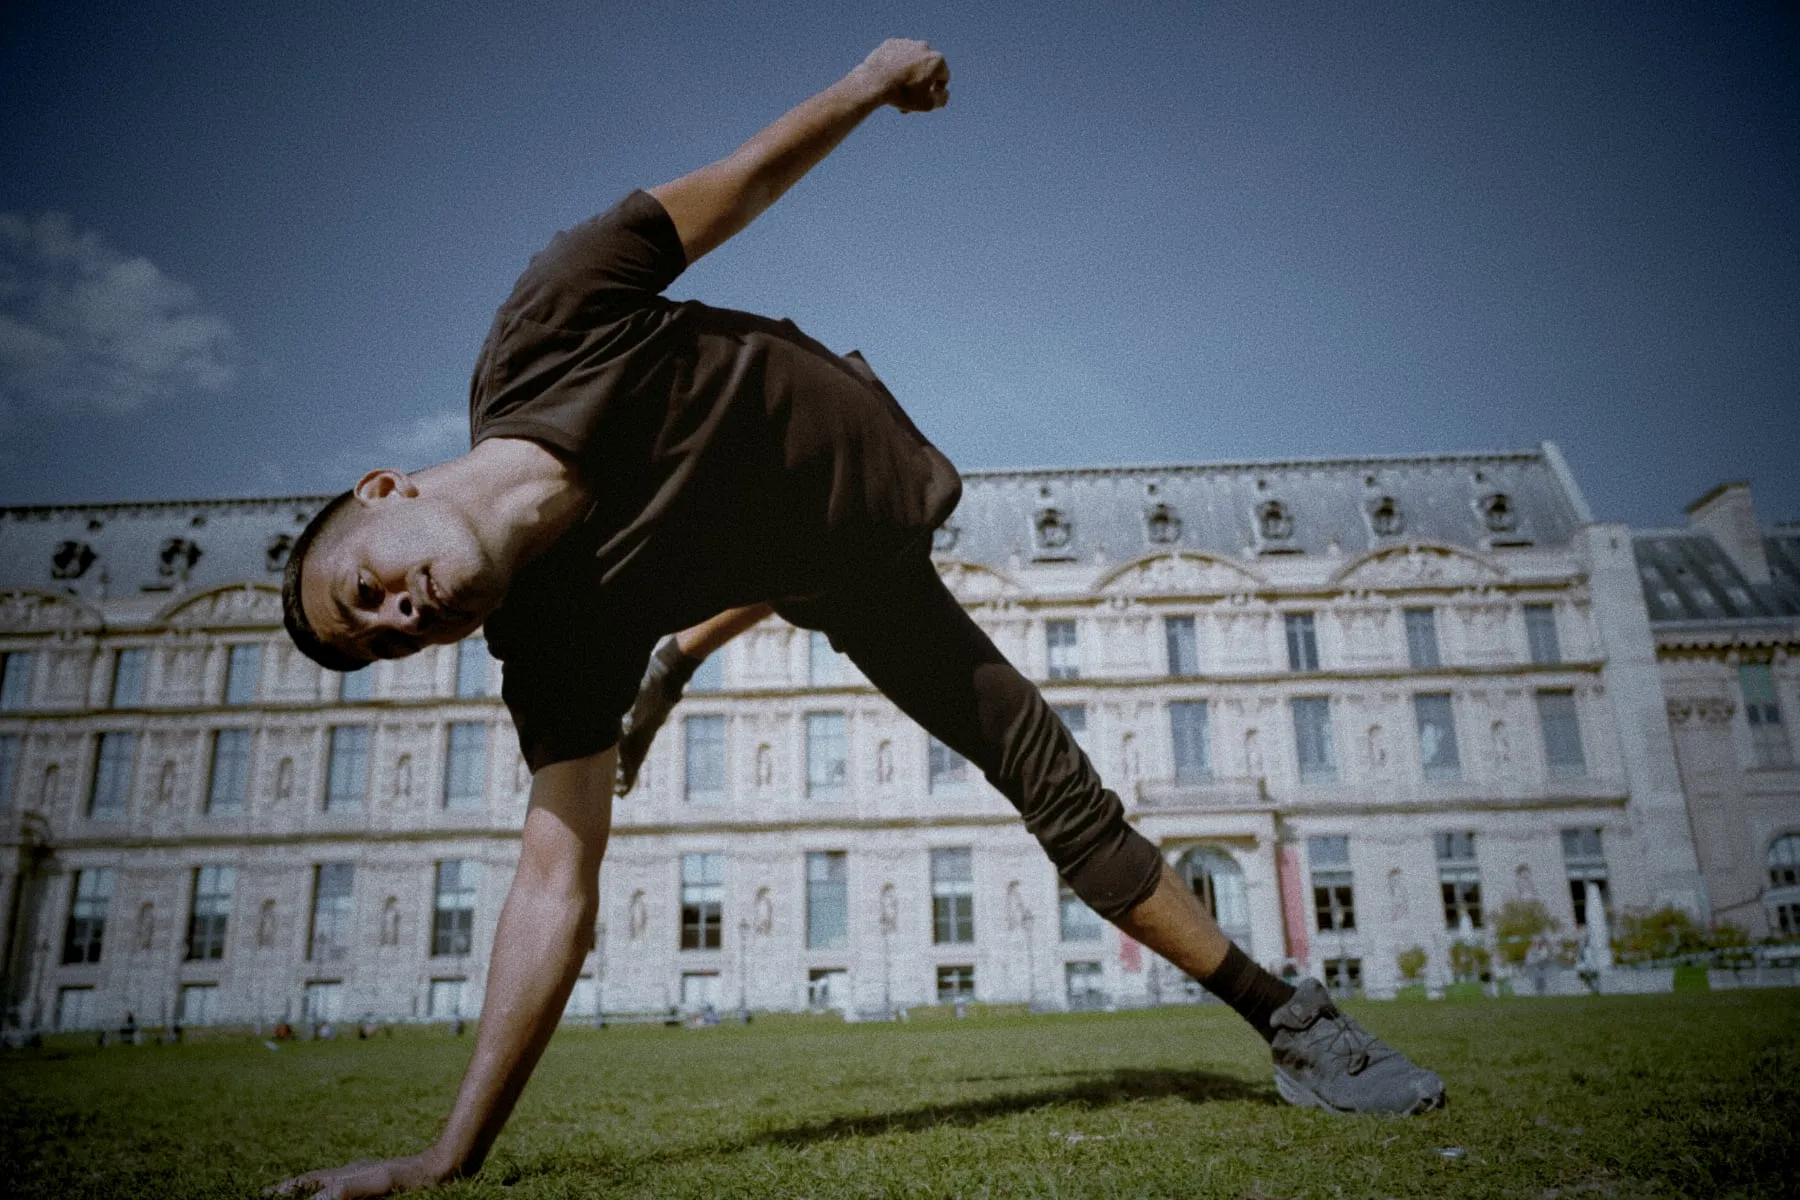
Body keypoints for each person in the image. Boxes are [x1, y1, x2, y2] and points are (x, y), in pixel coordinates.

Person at [273, 39, 1443, 1198]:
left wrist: (869, 86)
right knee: (1051, 782)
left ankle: (681, 649)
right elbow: (550, 890)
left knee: (825, 615)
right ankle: (1294, 1020)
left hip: (859, 488)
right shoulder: (550, 638)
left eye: (363, 589)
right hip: (844, 574)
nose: (396, 617)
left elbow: (740, 186)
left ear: (385, 490)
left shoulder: (546, 324)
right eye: (383, 642)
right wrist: (444, 1158)